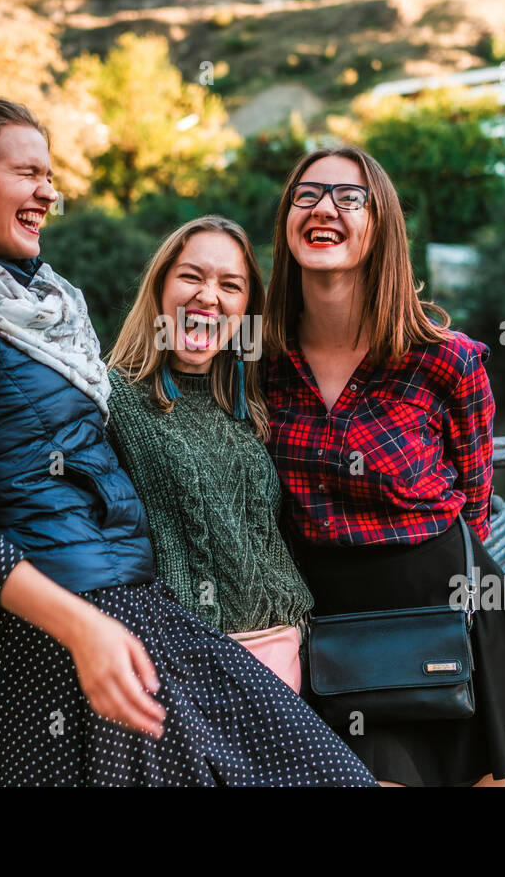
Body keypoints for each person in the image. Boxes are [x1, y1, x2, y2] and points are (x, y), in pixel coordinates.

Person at [0, 98, 377, 786]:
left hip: (135, 607)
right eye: (27, 173)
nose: (48, 192)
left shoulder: (39, 308)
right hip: (62, 637)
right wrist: (80, 629)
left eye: (50, 175)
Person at [261, 144, 505, 787]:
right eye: (307, 194)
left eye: (350, 197)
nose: (325, 208)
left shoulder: (445, 361)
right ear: (287, 218)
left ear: (382, 227)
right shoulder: (256, 362)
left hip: (447, 611)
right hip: (332, 626)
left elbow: (476, 499)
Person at [106, 215, 312, 694]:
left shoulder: (247, 402)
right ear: (160, 287)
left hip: (283, 653)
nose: (209, 296)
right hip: (186, 662)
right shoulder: (111, 398)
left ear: (246, 309)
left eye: (231, 285)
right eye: (192, 276)